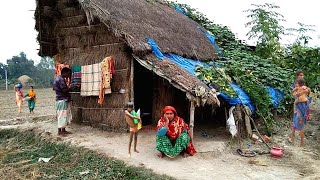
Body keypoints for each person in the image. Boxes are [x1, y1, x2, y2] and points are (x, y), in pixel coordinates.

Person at [290, 79, 310, 146]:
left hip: (301, 107)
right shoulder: (299, 89)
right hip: (299, 107)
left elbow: (307, 92)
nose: (296, 85)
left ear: (298, 83)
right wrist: (296, 90)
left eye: (297, 83)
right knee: (295, 123)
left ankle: (301, 142)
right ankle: (293, 139)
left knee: (300, 124)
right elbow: (294, 94)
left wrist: (301, 91)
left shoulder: (304, 88)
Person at [53, 67, 72, 136]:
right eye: (68, 74)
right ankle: (60, 131)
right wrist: (70, 88)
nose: (68, 75)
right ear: (65, 72)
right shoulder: (61, 79)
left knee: (61, 115)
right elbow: (64, 90)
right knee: (62, 115)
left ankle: (63, 130)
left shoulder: (56, 79)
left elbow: (54, 89)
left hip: (58, 99)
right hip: (62, 100)